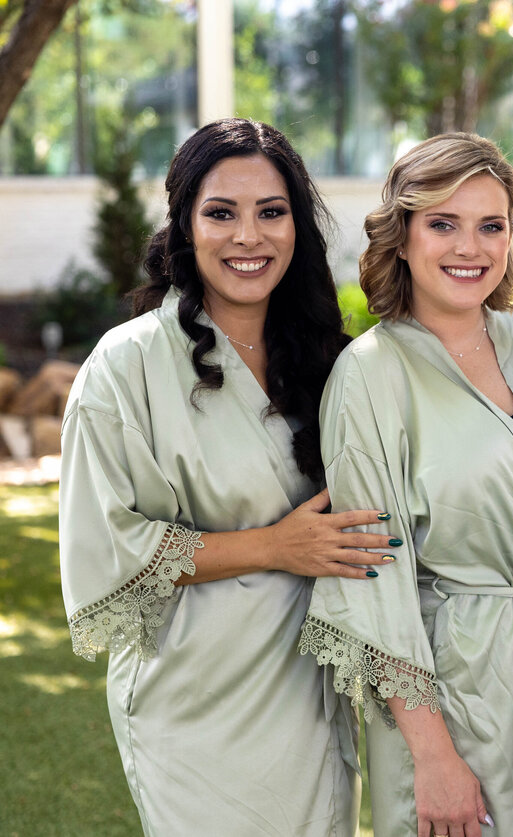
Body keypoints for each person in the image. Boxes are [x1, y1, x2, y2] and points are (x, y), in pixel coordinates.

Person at [58, 117, 399, 835]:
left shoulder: (329, 359)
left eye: (271, 212)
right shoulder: (125, 368)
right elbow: (107, 545)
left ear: (297, 227)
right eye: (221, 213)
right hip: (191, 703)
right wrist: (275, 546)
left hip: (306, 696)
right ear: (184, 226)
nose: (249, 236)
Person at [300, 133, 513, 837]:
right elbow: (373, 581)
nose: (470, 246)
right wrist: (432, 754)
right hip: (458, 686)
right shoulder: (370, 375)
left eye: (490, 225)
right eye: (443, 223)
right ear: (401, 236)